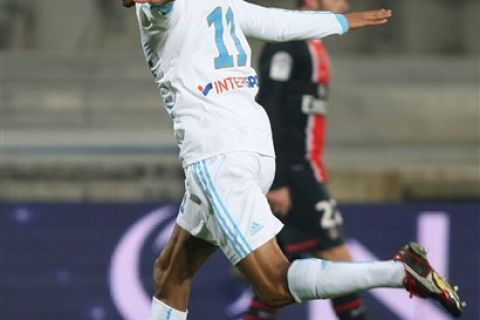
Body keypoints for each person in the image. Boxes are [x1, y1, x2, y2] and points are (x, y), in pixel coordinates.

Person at [121, 1, 465, 319]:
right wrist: (341, 22)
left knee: (273, 286)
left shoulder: (166, 12)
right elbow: (278, 22)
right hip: (255, 147)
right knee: (171, 272)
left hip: (217, 154)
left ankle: (400, 271)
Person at [243, 0, 365, 319]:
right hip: (295, 174)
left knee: (276, 280)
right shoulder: (289, 44)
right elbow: (269, 108)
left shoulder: (313, 44)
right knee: (339, 260)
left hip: (305, 169)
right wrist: (279, 179)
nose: (346, 3)